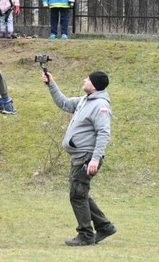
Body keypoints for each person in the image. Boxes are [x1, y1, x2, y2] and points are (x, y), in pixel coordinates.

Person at [41, 70, 116, 246]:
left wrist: (95, 159)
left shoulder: (100, 106)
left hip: (86, 157)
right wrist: (51, 83)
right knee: (80, 193)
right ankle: (104, 227)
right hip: (80, 156)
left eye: (88, 79)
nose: (84, 80)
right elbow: (64, 103)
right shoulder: (85, 101)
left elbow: (104, 133)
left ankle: (86, 235)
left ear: (95, 85)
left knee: (77, 195)